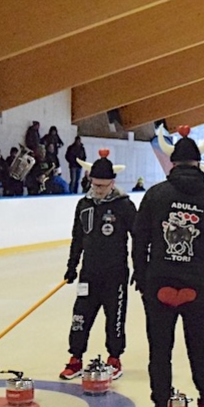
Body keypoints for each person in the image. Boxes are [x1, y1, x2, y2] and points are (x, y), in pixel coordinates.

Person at [132, 128, 204, 407]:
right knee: (199, 348)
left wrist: (142, 275)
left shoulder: (156, 194)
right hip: (197, 285)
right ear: (198, 164)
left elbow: (139, 239)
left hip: (160, 283)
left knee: (159, 351)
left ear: (173, 163)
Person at [59, 150, 137, 381]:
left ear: (112, 183)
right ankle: (75, 358)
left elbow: (139, 237)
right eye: (95, 184)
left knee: (115, 318)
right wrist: (72, 266)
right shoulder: (83, 205)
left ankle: (114, 358)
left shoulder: (125, 206)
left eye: (103, 185)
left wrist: (140, 268)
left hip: (116, 275)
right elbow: (77, 237)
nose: (98, 189)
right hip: (89, 273)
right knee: (80, 316)